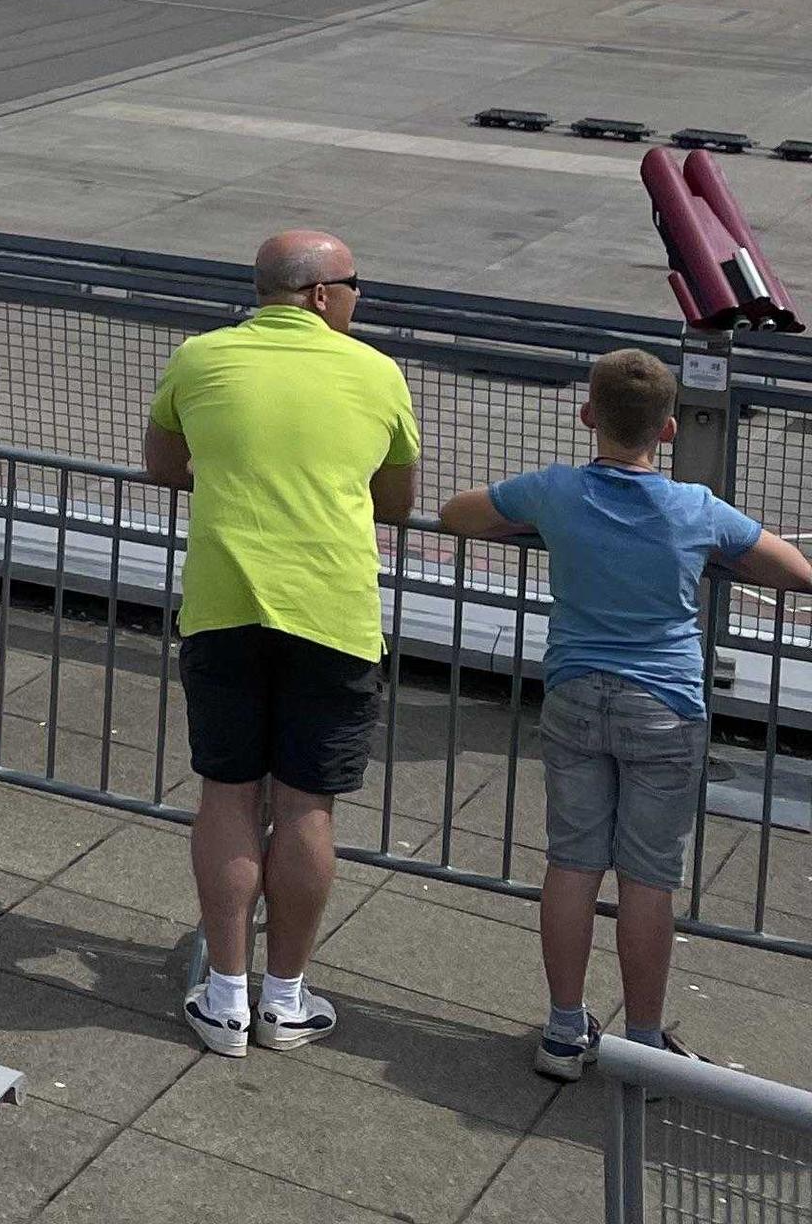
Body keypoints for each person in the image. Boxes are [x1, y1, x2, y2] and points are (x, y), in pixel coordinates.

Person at [438, 351, 812, 1076]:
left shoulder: (554, 492)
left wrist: (530, 526)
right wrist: (720, 559)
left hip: (576, 691)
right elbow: (796, 572)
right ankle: (644, 1044)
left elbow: (458, 515)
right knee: (648, 879)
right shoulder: (696, 510)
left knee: (573, 864)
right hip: (665, 704)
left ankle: (563, 1028)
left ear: (588, 417)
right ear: (667, 430)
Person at [144, 227, 419, 1058]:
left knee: (227, 794)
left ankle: (225, 998)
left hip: (225, 607)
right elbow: (397, 501)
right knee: (306, 806)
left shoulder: (198, 357)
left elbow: (164, 465)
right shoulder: (376, 372)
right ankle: (287, 999)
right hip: (333, 615)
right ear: (323, 294)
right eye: (356, 284)